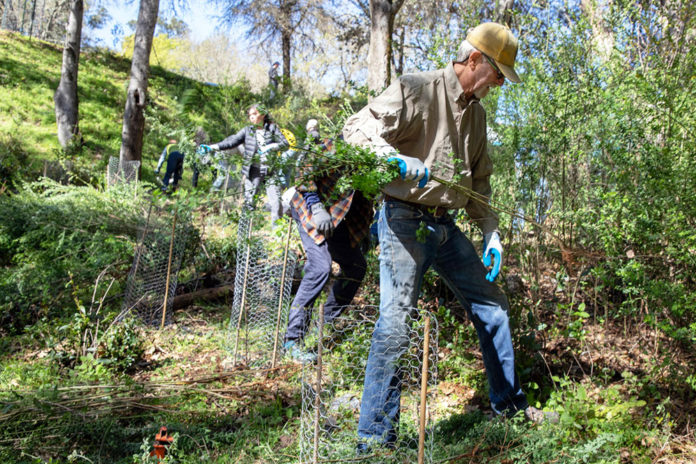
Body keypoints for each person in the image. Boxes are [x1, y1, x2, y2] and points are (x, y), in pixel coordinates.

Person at [343, 22, 556, 451]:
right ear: (475, 59)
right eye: (497, 74)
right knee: (396, 324)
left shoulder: (476, 115)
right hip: (403, 219)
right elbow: (354, 129)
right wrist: (394, 159)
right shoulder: (416, 88)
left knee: (492, 305)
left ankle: (509, 406)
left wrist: (492, 234)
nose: (498, 84)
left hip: (445, 227)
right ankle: (375, 440)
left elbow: (479, 187)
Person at [283, 137, 373, 362]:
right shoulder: (334, 146)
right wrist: (315, 205)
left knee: (356, 267)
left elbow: (365, 197)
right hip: (311, 208)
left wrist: (365, 230)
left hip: (339, 217)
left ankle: (323, 325)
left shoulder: (375, 157)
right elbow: (305, 170)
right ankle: (292, 341)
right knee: (320, 267)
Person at [206, 104, 288, 224]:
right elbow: (232, 141)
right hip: (253, 170)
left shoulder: (272, 128)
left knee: (276, 203)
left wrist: (271, 146)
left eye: (254, 114)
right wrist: (213, 147)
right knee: (250, 202)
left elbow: (286, 144)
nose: (252, 117)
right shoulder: (247, 131)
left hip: (270, 171)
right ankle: (246, 232)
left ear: (263, 114)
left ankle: (277, 235)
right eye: (250, 115)